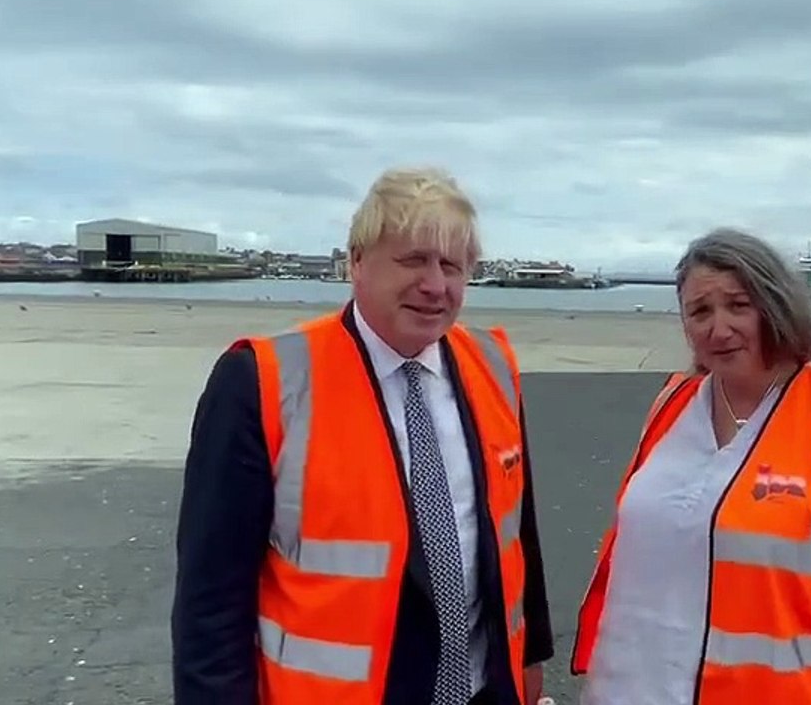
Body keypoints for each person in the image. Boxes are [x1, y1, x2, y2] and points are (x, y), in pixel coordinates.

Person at [171, 166, 554, 705]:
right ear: (355, 262)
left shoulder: (492, 365)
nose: (435, 285)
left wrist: (530, 657)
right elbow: (209, 600)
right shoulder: (262, 382)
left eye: (452, 265)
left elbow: (518, 532)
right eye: (413, 259)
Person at [569, 227, 811, 704]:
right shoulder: (672, 406)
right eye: (700, 311)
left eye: (738, 305)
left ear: (776, 306)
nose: (719, 329)